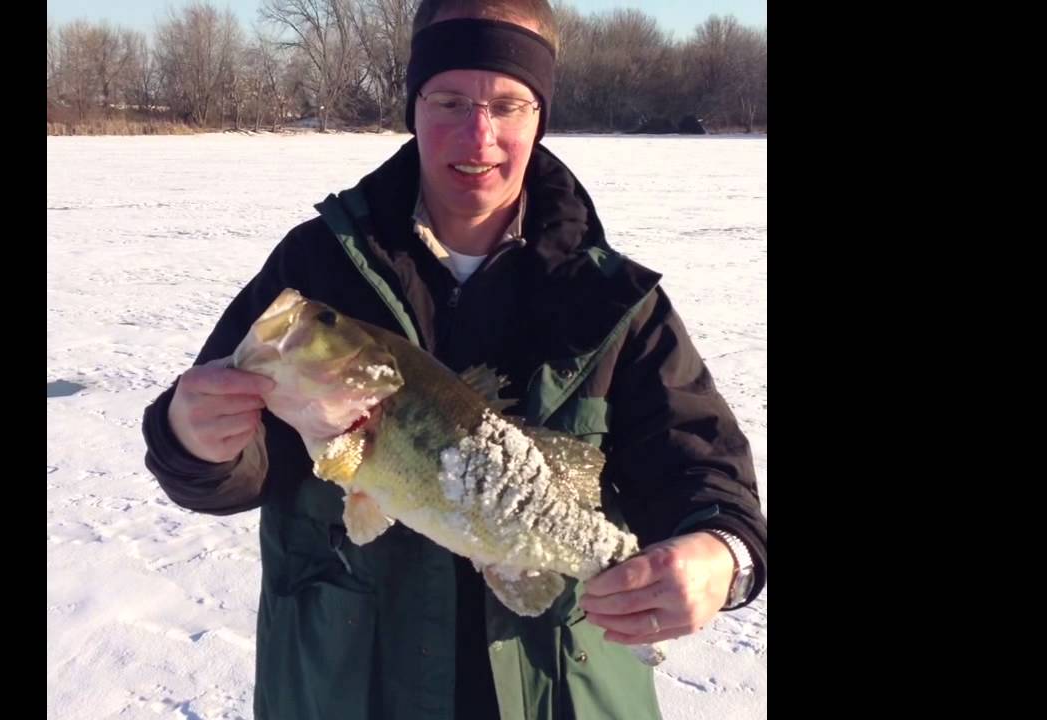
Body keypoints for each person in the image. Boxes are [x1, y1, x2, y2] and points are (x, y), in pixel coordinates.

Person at [142, 1, 767, 718]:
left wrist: (721, 557)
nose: (480, 134)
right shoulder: (316, 270)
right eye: (449, 100)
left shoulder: (611, 299)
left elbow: (703, 469)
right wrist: (193, 438)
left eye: (509, 104)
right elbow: (222, 463)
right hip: (347, 686)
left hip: (558, 687)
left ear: (540, 114)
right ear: (413, 103)